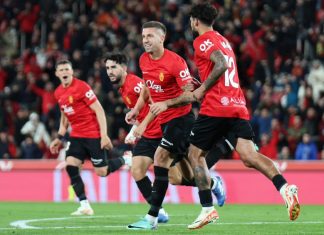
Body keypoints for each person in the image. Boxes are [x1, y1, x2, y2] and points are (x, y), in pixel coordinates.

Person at [150, 3, 300, 229]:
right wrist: (205, 84)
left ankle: (207, 209)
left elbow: (219, 64)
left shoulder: (202, 40)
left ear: (195, 21)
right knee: (249, 156)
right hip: (237, 103)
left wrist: (201, 90)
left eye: (191, 20)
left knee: (195, 154)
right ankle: (285, 187)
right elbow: (222, 66)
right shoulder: (223, 39)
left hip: (216, 106)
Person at [104, 52, 227, 223]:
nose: (109, 71)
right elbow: (145, 101)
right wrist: (136, 120)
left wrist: (141, 125)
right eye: (107, 68)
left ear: (124, 68)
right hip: (148, 135)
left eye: (113, 67)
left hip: (162, 131)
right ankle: (158, 212)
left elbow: (153, 101)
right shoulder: (124, 87)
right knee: (137, 169)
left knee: (176, 178)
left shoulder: (134, 84)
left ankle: (212, 183)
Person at [49, 60, 131, 216]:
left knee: (102, 172)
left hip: (93, 134)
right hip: (76, 136)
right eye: (62, 70)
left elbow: (99, 110)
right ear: (57, 74)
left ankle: (126, 159)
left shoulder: (81, 87)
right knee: (71, 165)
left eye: (67, 69)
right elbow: (64, 116)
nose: (65, 72)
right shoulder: (58, 92)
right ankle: (84, 205)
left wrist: (104, 135)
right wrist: (59, 137)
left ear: (71, 71)